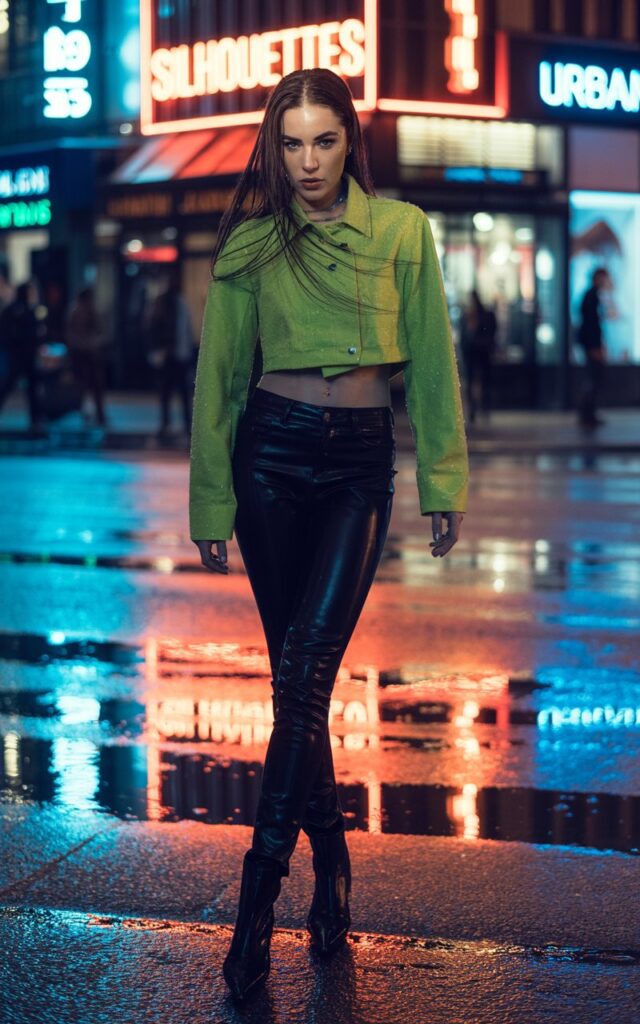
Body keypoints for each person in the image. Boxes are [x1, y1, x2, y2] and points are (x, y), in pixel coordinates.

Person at [189, 68, 468, 1002]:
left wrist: (443, 478)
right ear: (273, 147)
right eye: (291, 143)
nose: (308, 162)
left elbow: (431, 358)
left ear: (352, 141)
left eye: (325, 141)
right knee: (296, 685)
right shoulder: (252, 245)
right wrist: (211, 505)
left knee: (306, 672)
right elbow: (220, 382)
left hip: (357, 465)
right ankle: (333, 866)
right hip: (268, 458)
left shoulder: (401, 233)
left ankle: (254, 904)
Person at [148, 278, 197, 436]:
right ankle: (169, 423)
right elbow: (155, 327)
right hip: (170, 354)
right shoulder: (165, 303)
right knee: (169, 391)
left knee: (179, 392)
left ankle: (181, 424)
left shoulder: (179, 303)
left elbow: (185, 329)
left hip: (179, 354)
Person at [0, 280, 44, 430]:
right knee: (7, 386)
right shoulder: (13, 310)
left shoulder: (30, 309)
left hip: (28, 355)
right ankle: (36, 418)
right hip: (17, 355)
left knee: (32, 387)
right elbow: (6, 332)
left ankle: (36, 418)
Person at [66, 286, 108, 426]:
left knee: (94, 385)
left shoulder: (91, 312)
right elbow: (70, 334)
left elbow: (101, 330)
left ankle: (98, 414)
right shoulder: (76, 312)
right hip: (82, 353)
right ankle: (87, 413)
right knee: (85, 385)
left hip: (90, 353)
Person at [576, 267, 610, 428]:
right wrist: (595, 347)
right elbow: (590, 325)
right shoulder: (591, 296)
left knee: (593, 379)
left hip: (591, 344)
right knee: (592, 379)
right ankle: (586, 414)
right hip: (591, 345)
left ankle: (588, 414)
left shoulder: (593, 295)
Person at [460, 288, 497, 424]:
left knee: (483, 381)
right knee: (471, 382)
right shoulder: (467, 316)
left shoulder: (485, 315)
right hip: (470, 354)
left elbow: (491, 333)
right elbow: (465, 337)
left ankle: (484, 409)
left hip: (482, 353)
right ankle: (474, 410)